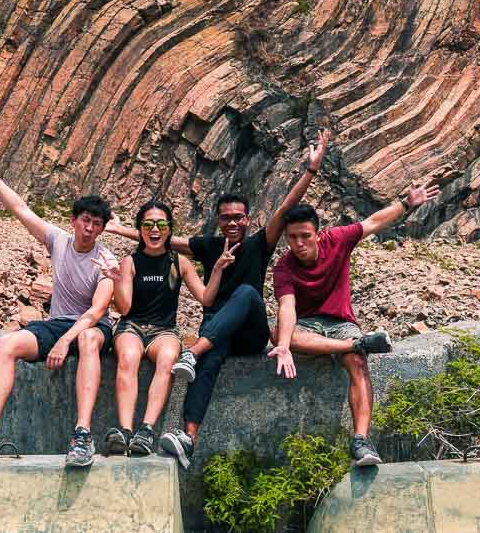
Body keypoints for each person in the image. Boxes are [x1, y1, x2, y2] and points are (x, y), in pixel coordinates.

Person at [105, 130, 330, 468]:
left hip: (250, 331)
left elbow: (285, 210)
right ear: (218, 220)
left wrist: (310, 171)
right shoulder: (209, 246)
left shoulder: (259, 243)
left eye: (239, 217)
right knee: (207, 365)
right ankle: (188, 438)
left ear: (248, 219)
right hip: (217, 334)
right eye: (226, 217)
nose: (233, 222)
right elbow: (165, 240)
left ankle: (192, 353)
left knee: (245, 293)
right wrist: (122, 229)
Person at [0, 140, 117, 468]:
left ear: (102, 227)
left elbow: (97, 311)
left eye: (96, 223)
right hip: (57, 324)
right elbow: (21, 209)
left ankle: (82, 435)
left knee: (86, 338)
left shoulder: (106, 259)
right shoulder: (58, 239)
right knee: (8, 345)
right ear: (74, 220)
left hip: (91, 328)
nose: (89, 228)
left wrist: (65, 340)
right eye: (85, 220)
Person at [268, 182, 440, 466]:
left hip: (340, 322)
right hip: (308, 326)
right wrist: (284, 346)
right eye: (292, 237)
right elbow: (287, 306)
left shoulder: (337, 239)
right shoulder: (284, 267)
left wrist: (407, 204)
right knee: (278, 334)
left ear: (318, 234)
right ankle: (357, 344)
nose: (298, 244)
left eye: (305, 236)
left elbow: (372, 222)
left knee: (358, 364)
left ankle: (361, 440)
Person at [93, 201, 232, 457]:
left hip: (164, 331)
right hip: (131, 326)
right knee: (128, 356)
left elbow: (206, 298)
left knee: (168, 358)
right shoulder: (129, 262)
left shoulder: (180, 262)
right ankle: (124, 430)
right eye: (147, 224)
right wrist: (116, 280)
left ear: (169, 230)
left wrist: (218, 270)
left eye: (161, 224)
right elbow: (124, 308)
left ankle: (146, 430)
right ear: (140, 229)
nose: (154, 229)